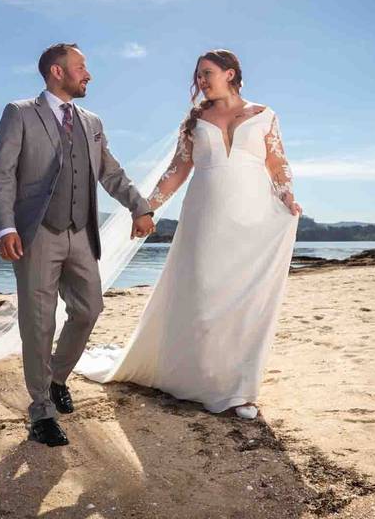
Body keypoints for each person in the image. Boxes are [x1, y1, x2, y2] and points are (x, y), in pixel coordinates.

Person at [76, 49, 301, 420]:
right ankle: (199, 379)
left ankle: (236, 389)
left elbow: (278, 165)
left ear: (230, 74)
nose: (200, 80)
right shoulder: (196, 121)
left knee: (243, 299)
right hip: (205, 216)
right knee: (203, 293)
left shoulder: (264, 115)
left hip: (254, 216)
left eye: (207, 72)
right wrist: (146, 208)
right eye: (197, 74)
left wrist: (288, 197)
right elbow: (177, 171)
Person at [0, 43, 156, 447]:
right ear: (56, 72)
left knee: (89, 309)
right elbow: (3, 173)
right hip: (36, 234)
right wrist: (4, 227)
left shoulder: (92, 121)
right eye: (81, 67)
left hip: (81, 232)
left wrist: (140, 208)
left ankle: (57, 377)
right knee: (39, 322)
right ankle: (40, 411)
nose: (89, 75)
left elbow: (110, 172)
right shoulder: (20, 113)